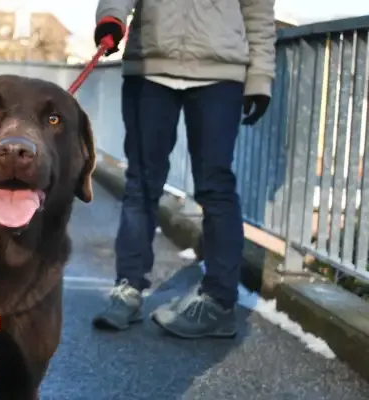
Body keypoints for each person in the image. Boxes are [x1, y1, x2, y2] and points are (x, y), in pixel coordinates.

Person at [91, 0, 276, 338]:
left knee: (215, 186)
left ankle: (219, 302)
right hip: (150, 67)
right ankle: (127, 287)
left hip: (220, 73)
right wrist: (111, 18)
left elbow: (258, 11)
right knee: (141, 182)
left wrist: (261, 77)